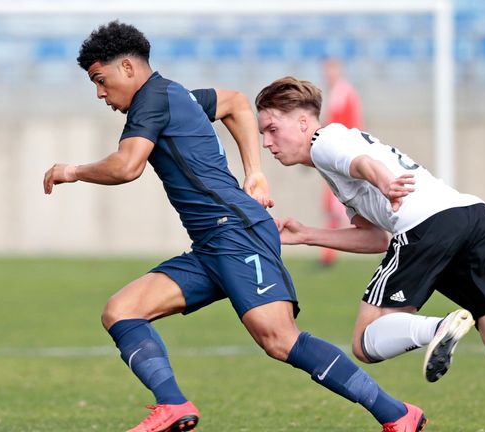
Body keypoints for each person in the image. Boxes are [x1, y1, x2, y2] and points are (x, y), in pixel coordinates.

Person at [43, 21, 426, 432]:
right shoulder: (178, 94)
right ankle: (173, 405)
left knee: (279, 339)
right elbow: (235, 103)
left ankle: (398, 414)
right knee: (121, 311)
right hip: (211, 244)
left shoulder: (151, 100)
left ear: (128, 69)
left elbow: (127, 165)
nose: (101, 93)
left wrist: (73, 170)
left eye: (101, 81)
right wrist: (255, 172)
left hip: (237, 233)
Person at [254, 76, 485, 432]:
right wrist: (308, 235)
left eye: (271, 128)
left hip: (427, 225)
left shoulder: (324, 140)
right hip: (475, 218)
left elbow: (361, 163)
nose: (266, 142)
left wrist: (384, 180)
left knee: (364, 340)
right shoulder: (332, 157)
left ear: (302, 121)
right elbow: (375, 238)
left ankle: (440, 326)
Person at [319, 58, 364, 267]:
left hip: (342, 155)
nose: (328, 74)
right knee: (334, 205)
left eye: (332, 69)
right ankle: (328, 255)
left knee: (339, 204)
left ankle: (329, 255)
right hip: (338, 155)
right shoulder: (337, 92)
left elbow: (340, 124)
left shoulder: (342, 92)